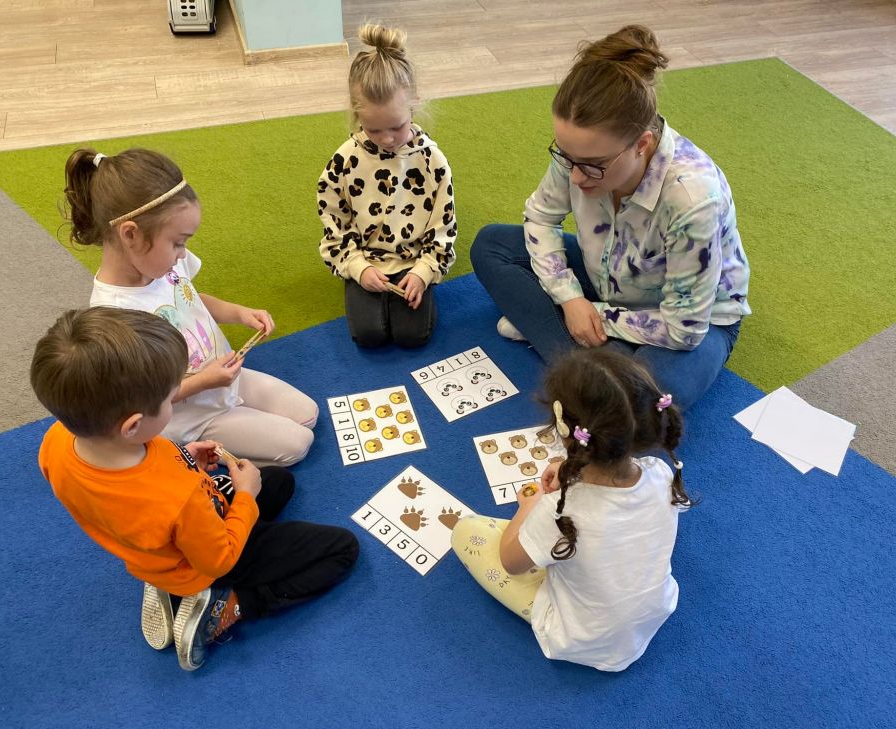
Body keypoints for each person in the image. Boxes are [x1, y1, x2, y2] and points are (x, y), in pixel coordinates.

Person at [32, 307, 359, 671]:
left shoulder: (56, 442)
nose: (176, 399)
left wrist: (184, 457)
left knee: (279, 482)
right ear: (133, 426)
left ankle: (162, 578)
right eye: (170, 398)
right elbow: (220, 557)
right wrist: (245, 497)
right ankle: (230, 603)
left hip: (157, 544)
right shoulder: (177, 498)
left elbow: (126, 489)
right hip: (205, 561)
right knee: (342, 549)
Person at [471, 24, 750, 411]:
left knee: (650, 397)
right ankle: (596, 364)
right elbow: (540, 218)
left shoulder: (693, 198)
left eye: (593, 165)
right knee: (492, 245)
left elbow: (683, 329)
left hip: (689, 320)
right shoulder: (581, 156)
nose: (575, 176)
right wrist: (570, 299)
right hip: (605, 278)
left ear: (642, 145)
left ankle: (573, 348)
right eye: (566, 156)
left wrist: (595, 316)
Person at [63, 146, 318, 466]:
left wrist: (239, 313)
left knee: (308, 414)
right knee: (298, 444)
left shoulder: (161, 262)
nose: (183, 253)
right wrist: (205, 381)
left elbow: (190, 299)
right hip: (193, 416)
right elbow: (145, 400)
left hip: (226, 379)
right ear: (131, 234)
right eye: (178, 242)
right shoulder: (113, 315)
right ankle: (189, 453)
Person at [451, 347, 694, 672]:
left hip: (582, 639)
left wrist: (529, 507)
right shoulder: (660, 473)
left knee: (466, 530)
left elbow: (511, 563)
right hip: (652, 613)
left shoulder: (558, 511)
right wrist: (569, 467)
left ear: (562, 428)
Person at [317, 23, 457, 348]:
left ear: (414, 103)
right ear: (357, 116)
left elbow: (444, 227)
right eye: (374, 130)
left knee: (413, 336)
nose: (388, 140)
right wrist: (358, 268)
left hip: (414, 259)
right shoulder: (344, 161)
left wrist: (423, 272)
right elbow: (335, 224)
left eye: (397, 126)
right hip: (366, 259)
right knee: (369, 335)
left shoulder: (432, 161)